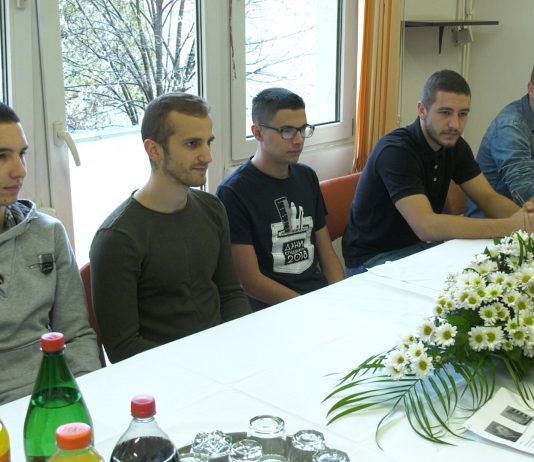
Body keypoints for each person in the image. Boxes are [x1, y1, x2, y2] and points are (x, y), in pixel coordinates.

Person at [90, 92, 251, 363]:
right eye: (192, 144)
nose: (207, 156)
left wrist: (242, 347)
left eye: (208, 142)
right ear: (154, 150)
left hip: (223, 356)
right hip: (164, 372)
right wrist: (201, 363)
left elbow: (231, 293)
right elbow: (123, 347)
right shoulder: (118, 238)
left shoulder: (212, 208)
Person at [342, 69, 534, 276]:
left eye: (463, 114)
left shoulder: (455, 145)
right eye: (445, 113)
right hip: (373, 261)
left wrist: (527, 220)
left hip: (422, 250)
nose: (455, 124)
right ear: (422, 110)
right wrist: (511, 226)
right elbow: (427, 226)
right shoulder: (396, 151)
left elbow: (488, 198)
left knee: (499, 278)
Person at [0, 102, 101, 404]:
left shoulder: (48, 232)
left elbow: (77, 334)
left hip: (55, 397)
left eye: (22, 154)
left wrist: (87, 397)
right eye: (2, 156)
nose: (20, 170)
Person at [216, 88, 345, 311]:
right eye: (286, 131)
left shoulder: (306, 176)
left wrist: (341, 296)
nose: (298, 140)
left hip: (316, 298)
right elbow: (251, 282)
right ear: (257, 132)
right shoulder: (234, 191)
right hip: (271, 309)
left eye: (303, 129)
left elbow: (326, 253)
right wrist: (309, 307)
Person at [465, 66, 534, 217]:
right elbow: (526, 193)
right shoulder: (510, 126)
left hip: (521, 221)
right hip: (489, 223)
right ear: (531, 89)